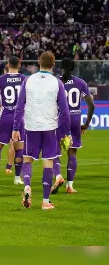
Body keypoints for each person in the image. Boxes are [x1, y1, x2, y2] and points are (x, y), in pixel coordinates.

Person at [12, 52, 70, 210]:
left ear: (39, 62)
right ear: (53, 64)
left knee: (27, 159)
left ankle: (27, 187)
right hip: (50, 127)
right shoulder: (57, 82)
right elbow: (64, 111)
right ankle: (45, 201)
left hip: (31, 126)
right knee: (48, 162)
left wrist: (16, 128)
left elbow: (19, 106)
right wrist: (67, 132)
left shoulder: (28, 80)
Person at [51, 58, 95, 194]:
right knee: (72, 153)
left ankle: (58, 177)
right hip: (75, 120)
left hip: (59, 120)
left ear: (61, 68)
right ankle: (70, 186)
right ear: (74, 68)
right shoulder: (81, 83)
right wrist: (86, 124)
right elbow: (91, 105)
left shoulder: (55, 82)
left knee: (54, 152)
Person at [0, 56, 26, 185]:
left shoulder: (0, 79)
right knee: (19, 149)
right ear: (19, 65)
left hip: (5, 116)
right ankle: (17, 178)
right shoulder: (25, 79)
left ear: (7, 65)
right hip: (19, 117)